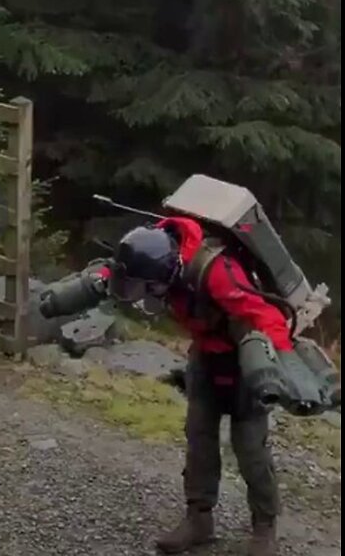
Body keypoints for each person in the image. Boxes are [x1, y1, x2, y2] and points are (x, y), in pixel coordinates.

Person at [47, 215, 293, 556]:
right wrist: (79, 290)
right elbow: (119, 272)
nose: (142, 295)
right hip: (204, 359)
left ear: (168, 273)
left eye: (146, 287)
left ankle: (264, 527)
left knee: (251, 449)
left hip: (244, 363)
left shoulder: (216, 271)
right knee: (199, 441)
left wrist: (280, 363)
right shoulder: (151, 254)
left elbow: (265, 316)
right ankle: (199, 519)